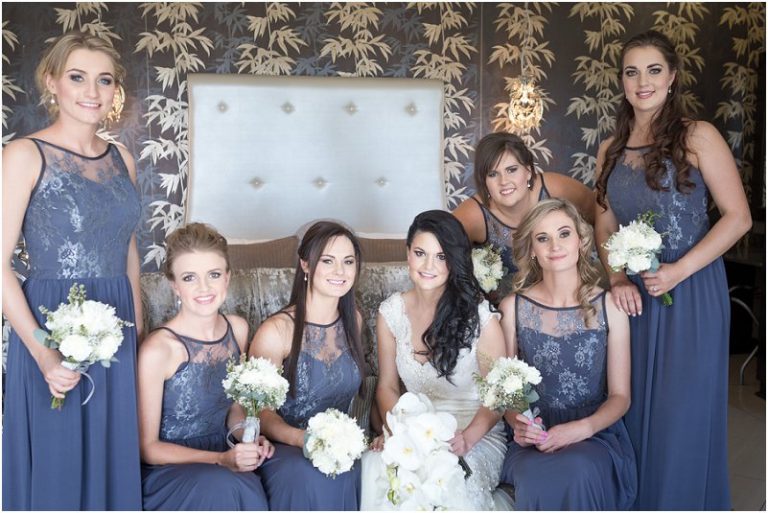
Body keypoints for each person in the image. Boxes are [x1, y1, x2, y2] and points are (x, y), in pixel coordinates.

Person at [594, 30, 752, 510]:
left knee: (679, 411)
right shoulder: (610, 149)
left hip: (692, 291)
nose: (642, 81)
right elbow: (604, 224)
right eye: (632, 72)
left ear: (672, 77)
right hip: (634, 298)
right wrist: (617, 279)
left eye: (653, 70)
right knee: (632, 403)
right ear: (622, 81)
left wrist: (679, 270)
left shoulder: (698, 135)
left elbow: (738, 218)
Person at [2, 32, 143, 509]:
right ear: (51, 82)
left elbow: (128, 253)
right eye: (78, 77)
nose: (92, 91)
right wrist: (44, 353)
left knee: (111, 458)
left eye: (104, 80)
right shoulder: (24, 155)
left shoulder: (122, 159)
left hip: (117, 326)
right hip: (50, 326)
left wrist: (137, 332)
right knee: (57, 462)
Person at [362, 210, 513, 510]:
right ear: (408, 253)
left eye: (441, 256)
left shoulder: (480, 318)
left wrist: (468, 438)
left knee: (447, 479)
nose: (428, 266)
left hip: (472, 432)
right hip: (414, 429)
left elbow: (498, 395)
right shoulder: (391, 313)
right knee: (379, 469)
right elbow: (387, 386)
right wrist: (397, 432)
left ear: (454, 262)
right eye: (420, 253)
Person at [498, 198, 636, 510]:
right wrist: (519, 423)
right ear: (532, 250)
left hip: (594, 432)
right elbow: (508, 394)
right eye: (542, 238)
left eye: (564, 233)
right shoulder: (513, 308)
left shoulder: (610, 307)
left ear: (581, 241)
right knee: (535, 477)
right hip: (534, 435)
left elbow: (620, 397)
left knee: (577, 470)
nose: (554, 246)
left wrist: (581, 430)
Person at [138, 223, 271, 510]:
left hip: (223, 455)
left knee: (243, 483)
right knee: (224, 487)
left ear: (227, 277)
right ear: (174, 285)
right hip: (170, 470)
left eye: (214, 274)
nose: (204, 288)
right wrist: (220, 460)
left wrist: (250, 438)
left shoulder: (237, 329)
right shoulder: (158, 349)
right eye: (189, 278)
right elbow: (148, 449)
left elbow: (233, 409)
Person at [249, 220, 366, 510]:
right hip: (286, 449)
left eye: (348, 261)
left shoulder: (354, 321)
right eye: (328, 260)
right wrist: (304, 439)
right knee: (311, 475)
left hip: (340, 449)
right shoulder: (277, 331)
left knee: (359, 470)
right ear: (305, 264)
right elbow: (260, 412)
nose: (340, 271)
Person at [453, 132, 595, 303]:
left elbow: (602, 216)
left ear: (528, 171)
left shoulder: (555, 188)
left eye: (512, 170)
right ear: (484, 181)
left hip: (574, 298)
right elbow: (437, 251)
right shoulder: (473, 215)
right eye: (492, 174)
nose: (504, 181)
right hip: (506, 310)